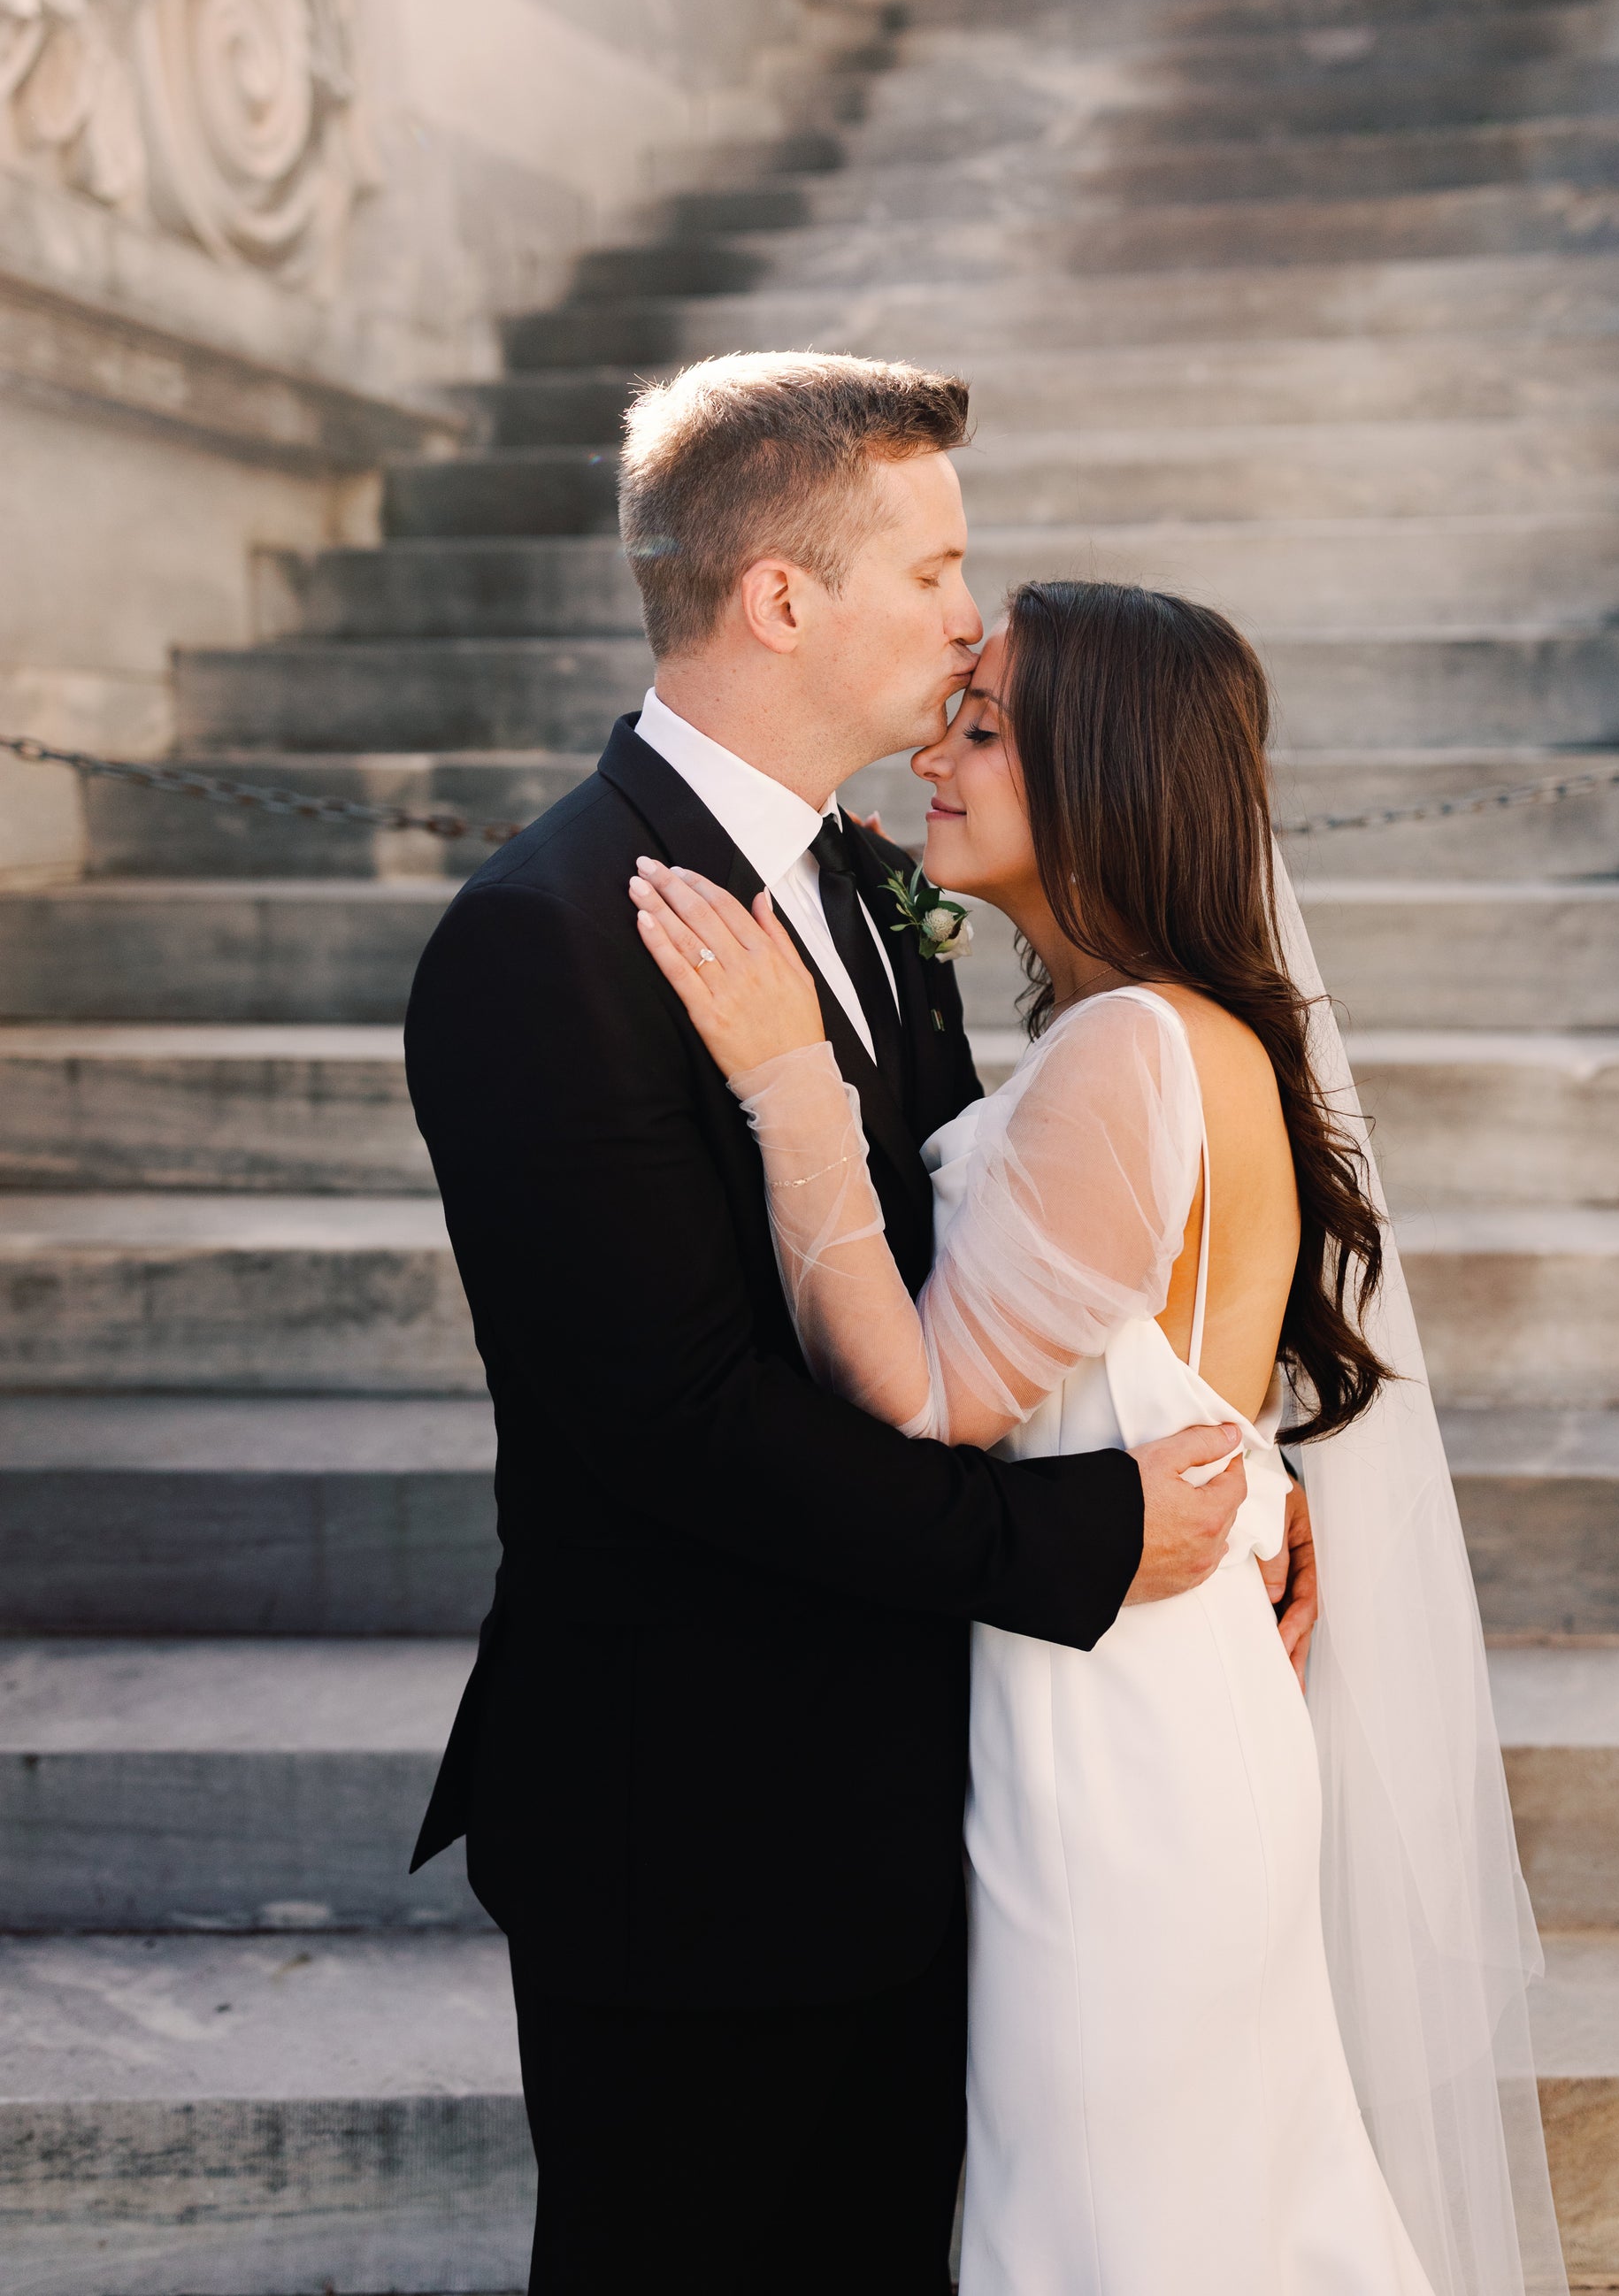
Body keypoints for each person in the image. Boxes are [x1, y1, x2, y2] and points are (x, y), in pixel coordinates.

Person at [403, 357, 1314, 2294]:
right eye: (935, 568)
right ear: (782, 599)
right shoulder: (540, 939)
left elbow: (1010, 1285)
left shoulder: (884, 889)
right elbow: (682, 1424)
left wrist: (1234, 1485)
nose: (970, 622)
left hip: (942, 1812)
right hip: (698, 1835)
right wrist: (1094, 1536)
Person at [630, 580, 1570, 2296]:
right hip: (1154, 1696)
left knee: (1113, 2233)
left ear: (1106, 775)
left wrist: (787, 1085)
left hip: (1121, 1751)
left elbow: (917, 1399)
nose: (935, 750)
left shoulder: (1130, 1045)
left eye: (987, 729)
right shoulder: (1183, 1037)